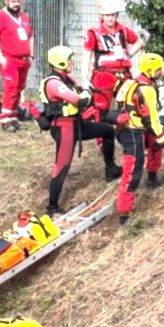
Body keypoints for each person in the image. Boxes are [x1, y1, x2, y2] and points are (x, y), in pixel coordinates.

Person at [39, 46, 120, 216]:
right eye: (69, 59)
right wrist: (86, 94)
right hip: (64, 127)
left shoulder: (67, 79)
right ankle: (52, 208)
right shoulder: (54, 83)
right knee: (62, 167)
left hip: (75, 124)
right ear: (60, 62)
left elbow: (84, 97)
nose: (72, 62)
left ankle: (110, 168)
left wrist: (86, 94)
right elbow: (79, 100)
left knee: (107, 131)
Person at [113, 53, 164, 226]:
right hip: (133, 132)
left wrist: (159, 136)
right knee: (132, 172)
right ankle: (124, 215)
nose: (161, 73)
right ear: (151, 70)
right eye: (160, 70)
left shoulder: (129, 82)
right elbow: (153, 120)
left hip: (123, 129)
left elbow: (119, 102)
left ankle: (152, 177)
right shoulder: (147, 90)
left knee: (153, 143)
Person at [85, 0, 143, 119]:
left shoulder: (124, 30)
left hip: (124, 74)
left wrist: (130, 54)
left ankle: (126, 134)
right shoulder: (94, 32)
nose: (110, 18)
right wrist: (85, 77)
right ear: (101, 16)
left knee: (132, 102)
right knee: (101, 108)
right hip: (103, 75)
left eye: (112, 15)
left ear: (117, 15)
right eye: (107, 15)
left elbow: (139, 41)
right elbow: (87, 54)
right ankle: (104, 136)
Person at [0, 0, 35, 132]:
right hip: (9, 58)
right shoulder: (0, 16)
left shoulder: (24, 17)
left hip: (24, 59)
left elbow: (30, 36)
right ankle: (6, 119)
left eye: (18, 1)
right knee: (11, 86)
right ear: (6, 2)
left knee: (19, 87)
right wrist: (0, 57)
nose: (16, 4)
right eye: (13, 1)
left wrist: (31, 55)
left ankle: (14, 116)